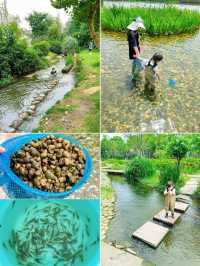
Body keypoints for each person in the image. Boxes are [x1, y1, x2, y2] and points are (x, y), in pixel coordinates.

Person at [127, 16, 145, 89]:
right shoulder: (131, 33)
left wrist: (140, 46)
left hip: (135, 51)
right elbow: (134, 45)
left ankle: (134, 76)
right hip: (135, 52)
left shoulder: (134, 31)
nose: (139, 28)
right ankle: (135, 78)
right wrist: (138, 55)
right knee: (140, 66)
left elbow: (136, 43)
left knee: (135, 64)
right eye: (139, 26)